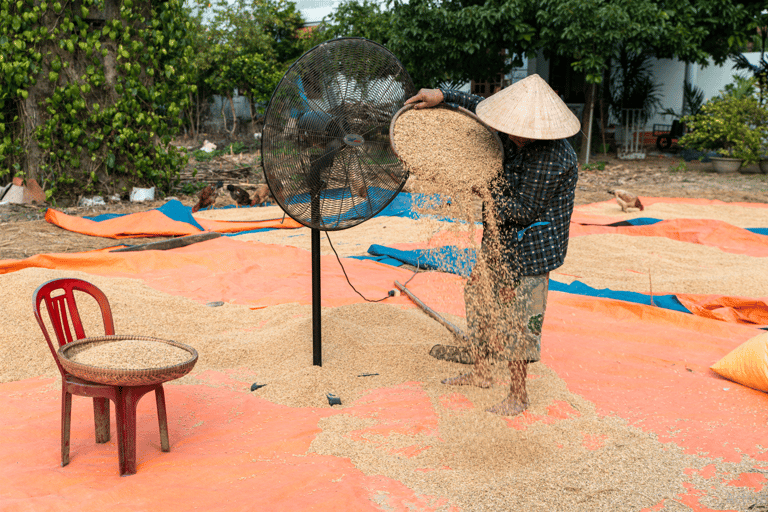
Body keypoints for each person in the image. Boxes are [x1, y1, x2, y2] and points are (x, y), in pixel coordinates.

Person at [405, 74, 580, 416]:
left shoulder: (553, 156)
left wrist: (472, 188)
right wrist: (441, 94)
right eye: (509, 127)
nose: (511, 135)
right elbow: (477, 107)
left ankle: (519, 394)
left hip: (533, 245)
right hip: (498, 237)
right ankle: (482, 371)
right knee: (479, 295)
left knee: (520, 320)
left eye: (520, 131)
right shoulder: (509, 131)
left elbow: (524, 211)